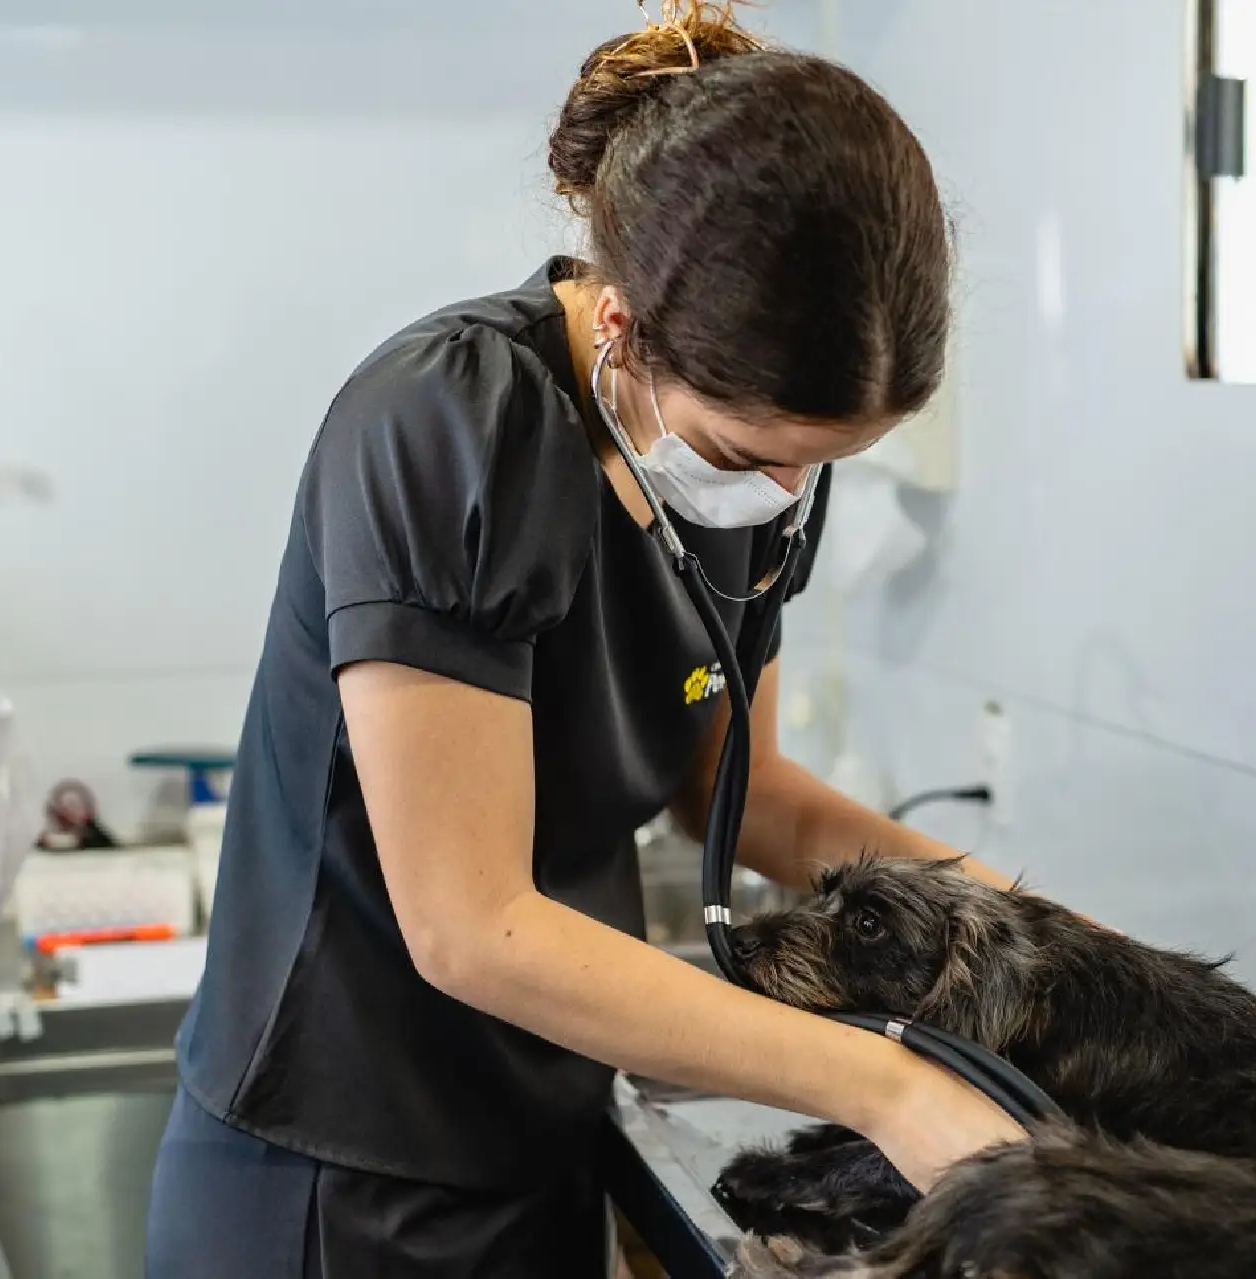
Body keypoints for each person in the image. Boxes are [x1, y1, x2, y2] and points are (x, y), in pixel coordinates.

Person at [144, 7, 1044, 1276]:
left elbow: (746, 797)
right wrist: (883, 1087)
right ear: (621, 327)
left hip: (546, 1136)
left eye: (822, 465)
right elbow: (472, 923)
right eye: (751, 456)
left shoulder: (740, 469)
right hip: (338, 1180)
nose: (784, 498)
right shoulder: (449, 424)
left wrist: (1034, 930)